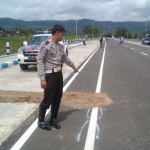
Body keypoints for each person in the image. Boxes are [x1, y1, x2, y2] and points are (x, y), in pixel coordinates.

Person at [37, 25, 78, 130]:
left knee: (57, 97)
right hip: (49, 76)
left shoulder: (60, 46)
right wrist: (42, 79)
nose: (63, 36)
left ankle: (53, 118)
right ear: (57, 33)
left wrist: (74, 67)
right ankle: (41, 121)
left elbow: (66, 58)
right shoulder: (44, 45)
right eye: (62, 34)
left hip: (58, 75)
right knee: (47, 98)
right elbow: (40, 61)